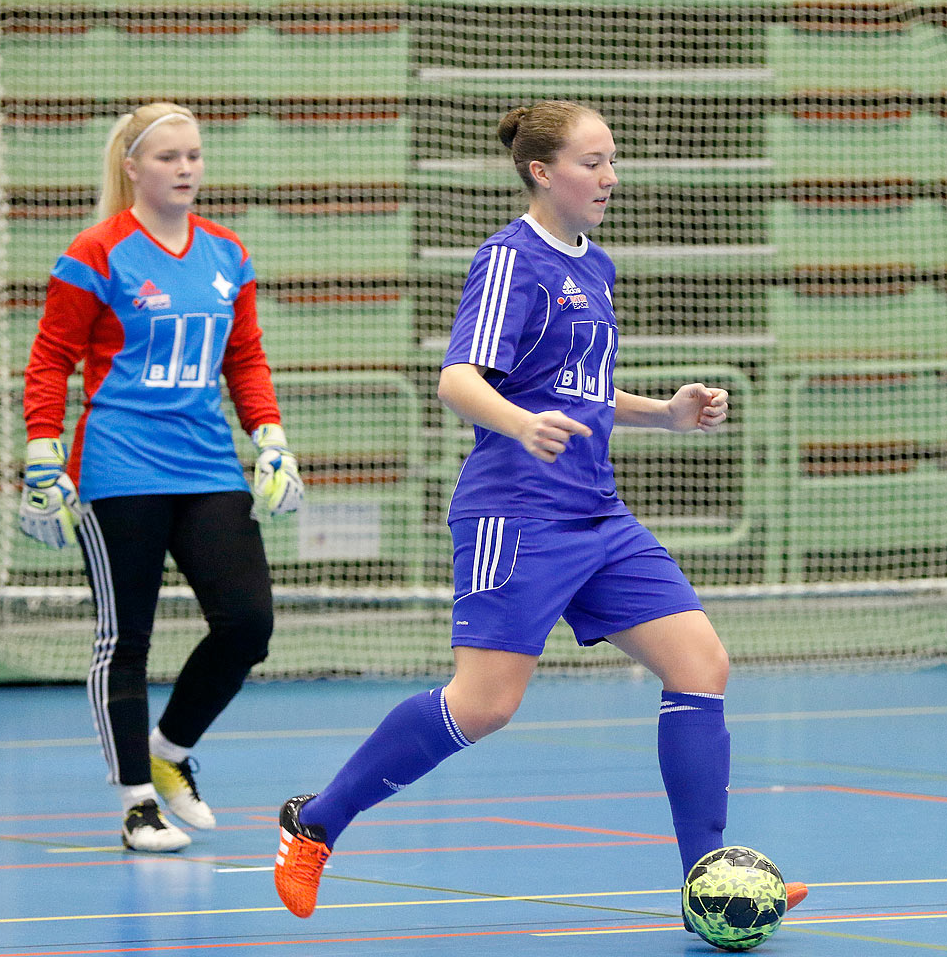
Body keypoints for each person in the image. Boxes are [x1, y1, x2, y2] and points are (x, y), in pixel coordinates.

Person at [272, 100, 807, 923]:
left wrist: (663, 413)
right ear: (541, 171)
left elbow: (581, 392)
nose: (610, 177)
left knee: (701, 665)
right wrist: (520, 423)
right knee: (484, 704)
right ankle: (316, 823)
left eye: (613, 160)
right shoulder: (508, 261)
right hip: (516, 513)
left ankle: (711, 882)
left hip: (598, 515)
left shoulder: (597, 265)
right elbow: (459, 380)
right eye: (593, 162)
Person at [18, 101, 304, 852]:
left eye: (195, 155)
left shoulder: (226, 254)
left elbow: (244, 358)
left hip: (207, 461)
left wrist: (269, 437)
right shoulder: (97, 251)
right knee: (126, 639)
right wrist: (42, 448)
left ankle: (170, 753)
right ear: (132, 166)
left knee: (248, 624)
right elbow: (51, 358)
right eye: (170, 157)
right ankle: (137, 803)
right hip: (118, 465)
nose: (186, 169)